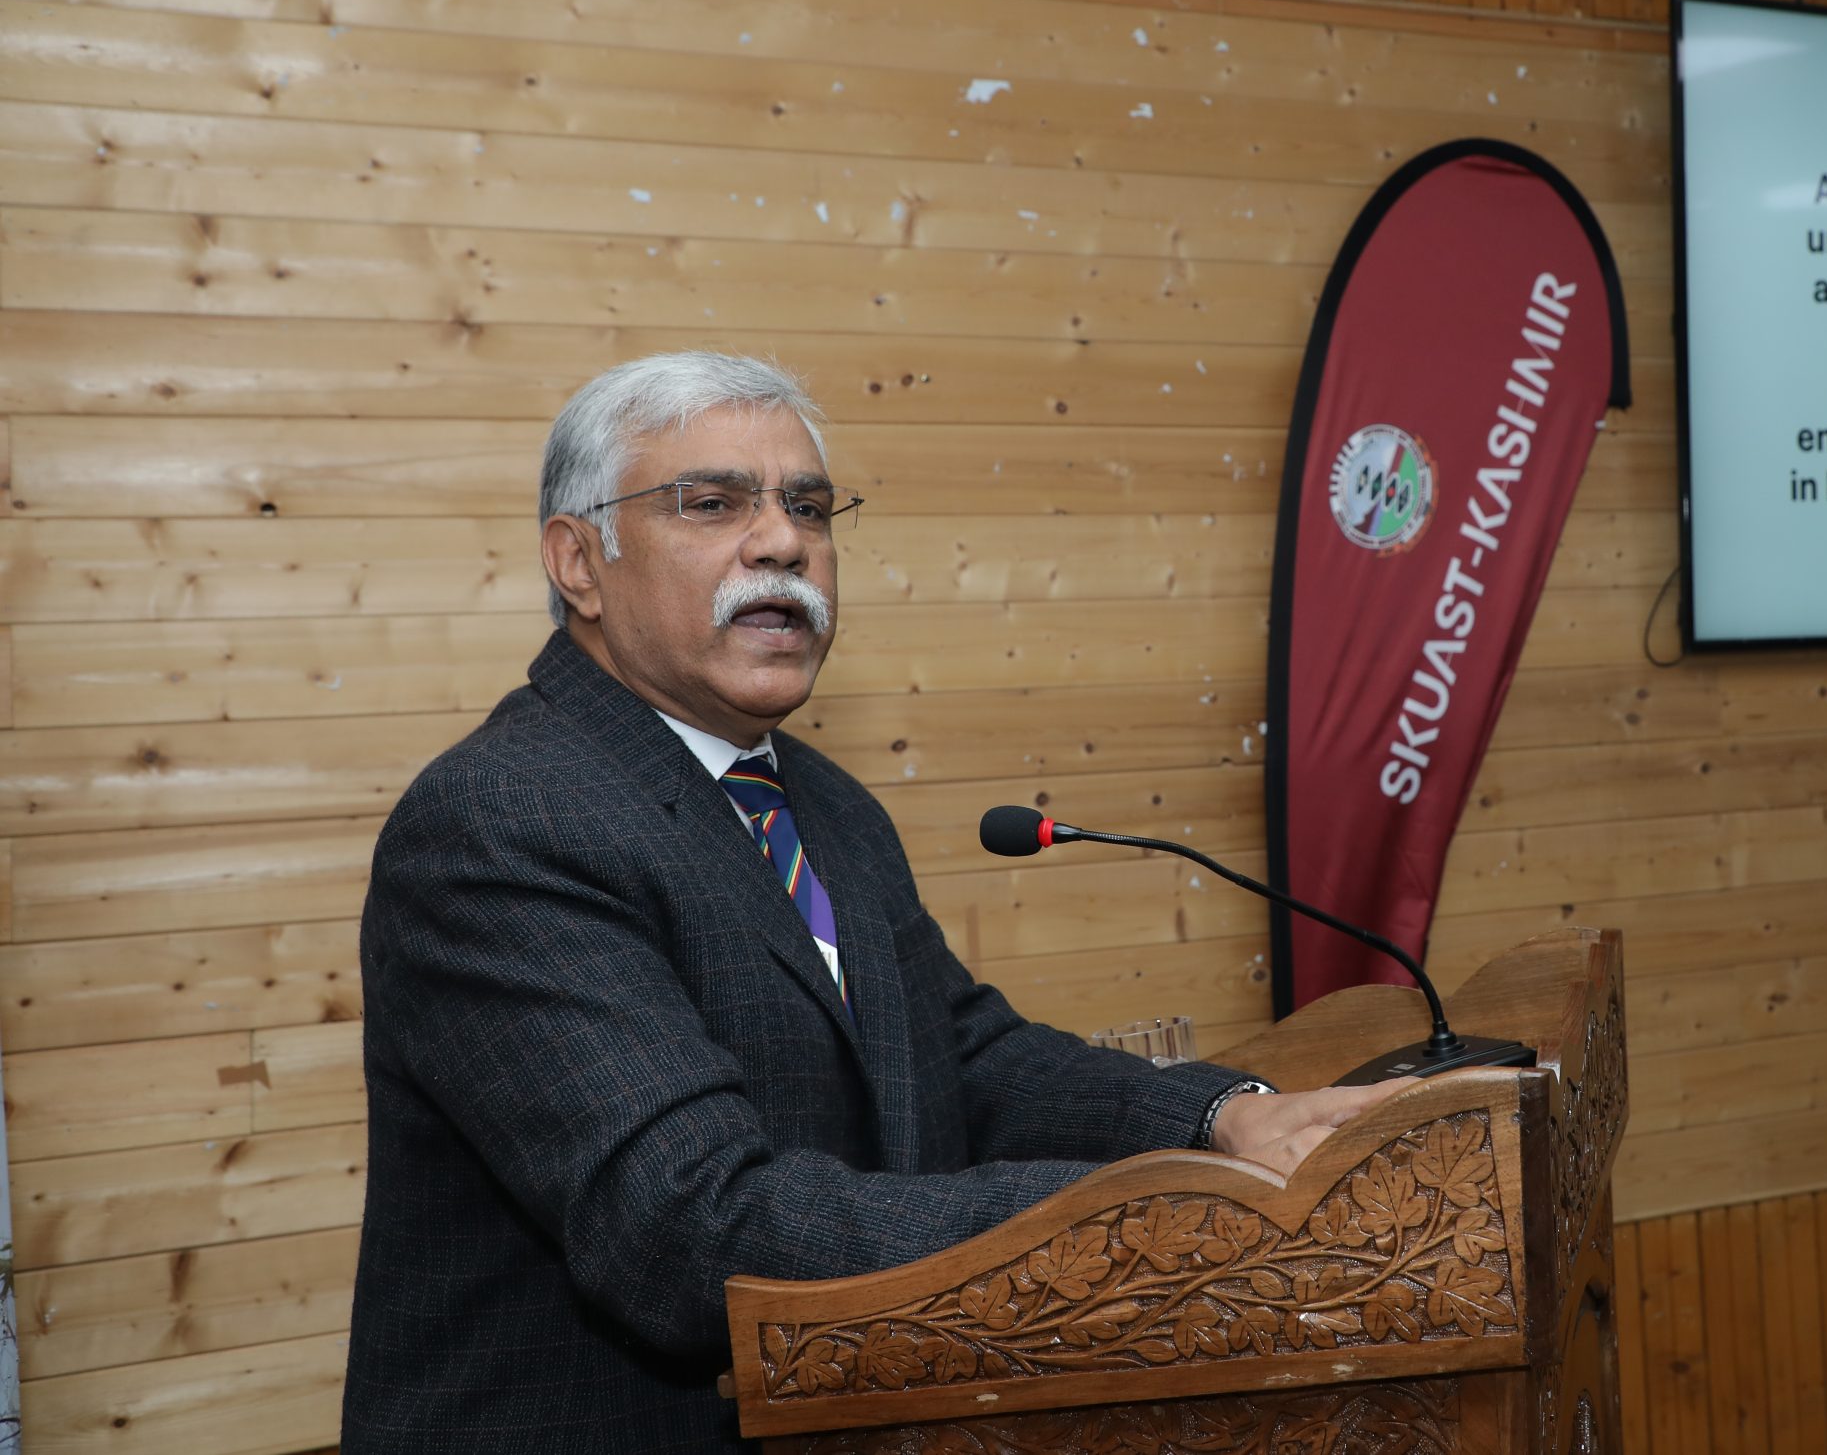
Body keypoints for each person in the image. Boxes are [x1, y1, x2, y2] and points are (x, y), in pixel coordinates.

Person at [343, 352, 1408, 1452]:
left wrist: (1218, 1119)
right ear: (580, 562)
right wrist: (1156, 1206)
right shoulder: (502, 821)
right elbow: (688, 1229)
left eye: (808, 507)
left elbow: (966, 1058)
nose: (782, 542)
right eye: (712, 504)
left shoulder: (821, 803)